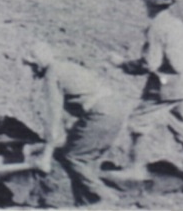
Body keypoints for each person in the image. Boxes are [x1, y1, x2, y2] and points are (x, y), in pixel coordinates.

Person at [109, 0, 183, 186]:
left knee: (138, 121)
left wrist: (122, 64)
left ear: (148, 3)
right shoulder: (178, 25)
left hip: (166, 86)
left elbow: (149, 63)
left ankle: (136, 169)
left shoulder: (156, 28)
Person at [22, 41, 125, 206]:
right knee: (82, 159)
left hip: (100, 114)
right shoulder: (65, 67)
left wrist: (46, 157)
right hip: (113, 110)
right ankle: (85, 203)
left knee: (74, 157)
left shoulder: (52, 75)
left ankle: (107, 199)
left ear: (38, 64)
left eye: (31, 66)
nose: (31, 71)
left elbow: (54, 118)